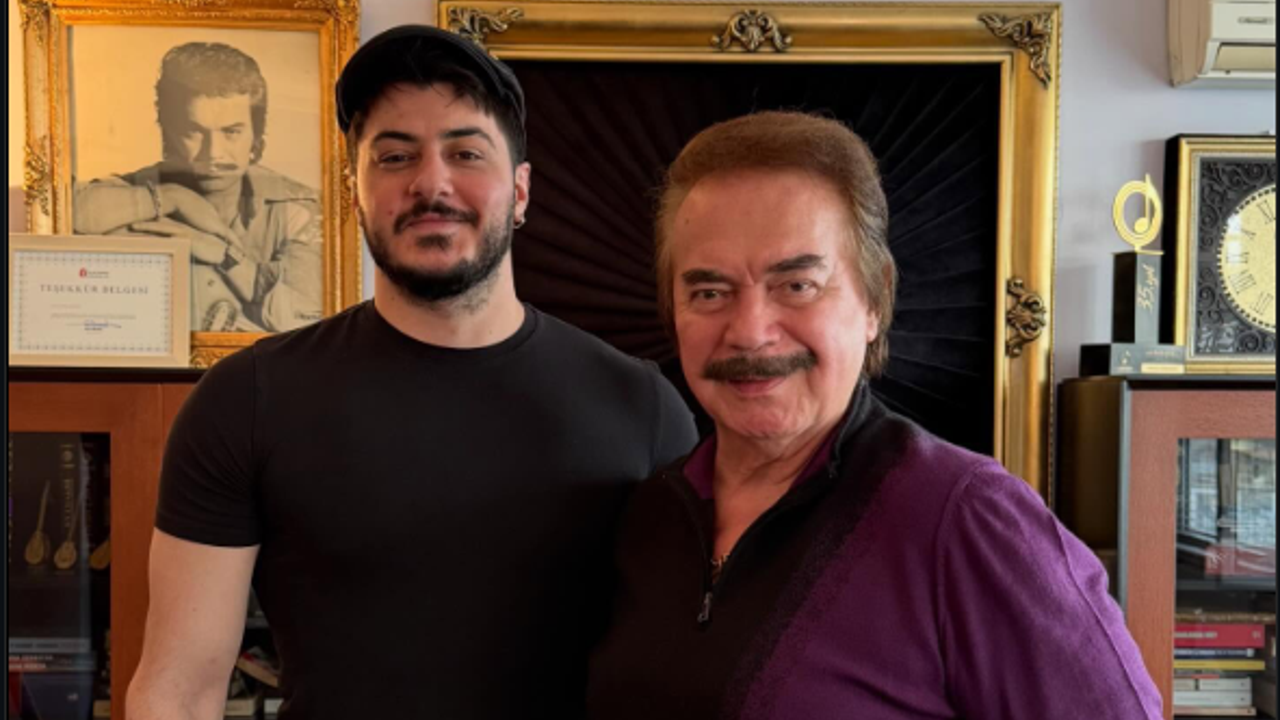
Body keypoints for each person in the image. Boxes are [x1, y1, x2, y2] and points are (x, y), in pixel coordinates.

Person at [126, 25, 697, 720]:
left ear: (520, 191)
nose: (431, 183)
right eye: (395, 156)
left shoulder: (643, 407)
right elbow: (177, 692)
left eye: (466, 153)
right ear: (355, 193)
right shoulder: (246, 400)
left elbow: (684, 675)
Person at [586, 111, 1163, 719]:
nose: (750, 331)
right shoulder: (650, 517)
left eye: (797, 285)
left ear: (874, 298)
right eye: (710, 292)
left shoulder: (966, 519)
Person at [72, 42, 323, 333]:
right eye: (194, 132)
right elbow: (62, 213)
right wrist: (172, 197)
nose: (213, 153)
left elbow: (307, 323)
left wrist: (226, 256)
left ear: (256, 136)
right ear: (168, 133)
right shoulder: (142, 187)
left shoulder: (297, 207)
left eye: (231, 132)